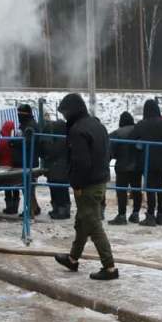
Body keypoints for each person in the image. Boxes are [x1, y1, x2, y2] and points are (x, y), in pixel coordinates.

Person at [53, 93, 118, 280]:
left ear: (72, 110)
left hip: (87, 184)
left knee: (93, 224)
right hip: (100, 180)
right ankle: (73, 259)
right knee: (83, 221)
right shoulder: (97, 125)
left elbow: (81, 161)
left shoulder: (77, 130)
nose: (64, 116)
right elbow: (108, 153)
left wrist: (77, 184)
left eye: (65, 112)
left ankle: (110, 267)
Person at [132, 99, 162, 226]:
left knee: (150, 188)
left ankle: (150, 216)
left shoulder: (141, 124)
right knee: (160, 188)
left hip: (147, 160)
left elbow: (134, 141)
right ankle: (161, 216)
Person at [109, 111, 142, 225]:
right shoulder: (138, 131)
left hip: (122, 166)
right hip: (137, 166)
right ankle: (135, 214)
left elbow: (110, 150)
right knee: (136, 190)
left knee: (121, 191)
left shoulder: (117, 133)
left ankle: (122, 215)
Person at [41, 115, 71, 219]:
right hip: (64, 169)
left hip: (57, 169)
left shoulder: (59, 140)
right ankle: (64, 209)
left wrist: (46, 147)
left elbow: (52, 152)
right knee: (63, 190)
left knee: (58, 191)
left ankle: (60, 210)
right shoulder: (67, 139)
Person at [16, 103, 41, 216]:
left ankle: (30, 210)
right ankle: (34, 207)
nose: (19, 115)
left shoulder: (29, 126)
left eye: (20, 113)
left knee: (27, 186)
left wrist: (15, 142)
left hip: (28, 159)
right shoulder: (28, 124)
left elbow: (28, 143)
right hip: (30, 159)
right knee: (29, 186)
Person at [0, 120, 19, 214]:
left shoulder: (0, 141)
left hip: (3, 166)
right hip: (14, 166)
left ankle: (9, 207)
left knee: (7, 187)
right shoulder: (16, 140)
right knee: (15, 187)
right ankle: (15, 207)